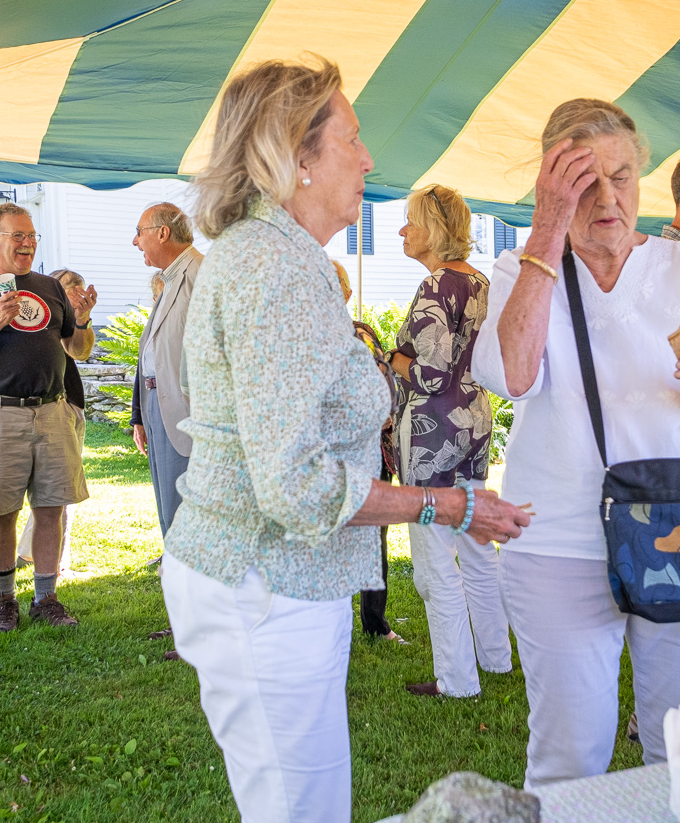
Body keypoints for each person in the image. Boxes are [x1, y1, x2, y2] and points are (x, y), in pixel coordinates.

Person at [160, 56, 528, 823]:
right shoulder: (278, 267)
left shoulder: (277, 255)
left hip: (274, 578)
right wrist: (446, 505)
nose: (367, 160)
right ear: (296, 157)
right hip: (268, 583)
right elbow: (295, 484)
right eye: (352, 140)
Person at [472, 99, 680, 787]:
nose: (607, 198)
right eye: (583, 182)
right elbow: (512, 376)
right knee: (570, 758)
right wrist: (548, 232)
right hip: (560, 541)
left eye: (622, 177)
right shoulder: (523, 267)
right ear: (552, 186)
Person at [0, 202, 97, 632]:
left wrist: (83, 320)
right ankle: (4, 600)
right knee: (3, 513)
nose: (28, 243)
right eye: (18, 236)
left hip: (53, 411)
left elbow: (78, 349)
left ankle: (46, 597)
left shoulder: (50, 287)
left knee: (51, 507)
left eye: (31, 236)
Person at [391, 183, 509, 697]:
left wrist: (392, 358)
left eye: (410, 221)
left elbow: (431, 375)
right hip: (474, 424)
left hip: (433, 433)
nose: (402, 230)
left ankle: (457, 680)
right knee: (478, 547)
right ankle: (496, 658)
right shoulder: (481, 282)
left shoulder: (436, 286)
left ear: (434, 230)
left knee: (437, 560)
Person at [332, 260, 403, 644]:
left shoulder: (360, 333)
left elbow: (385, 385)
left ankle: (375, 622)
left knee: (373, 536)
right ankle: (332, 622)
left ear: (345, 294)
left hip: (368, 453)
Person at [130, 203, 203, 546]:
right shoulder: (170, 279)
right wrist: (140, 414)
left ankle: (187, 569)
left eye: (139, 232)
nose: (135, 241)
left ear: (162, 233)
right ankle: (174, 563)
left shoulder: (201, 273)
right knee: (168, 505)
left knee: (186, 506)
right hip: (158, 404)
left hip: (187, 410)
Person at [16, 268, 94, 574]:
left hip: (69, 403)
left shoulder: (73, 323)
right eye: (70, 292)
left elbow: (82, 352)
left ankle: (31, 552)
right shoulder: (43, 320)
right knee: (58, 491)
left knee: (55, 491)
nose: (77, 299)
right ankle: (55, 562)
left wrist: (82, 319)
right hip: (55, 406)